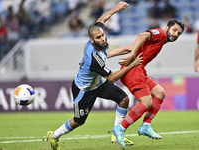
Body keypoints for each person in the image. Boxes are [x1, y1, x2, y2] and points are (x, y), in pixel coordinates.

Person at [46, 2, 143, 150]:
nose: (103, 38)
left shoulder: (97, 41)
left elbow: (102, 19)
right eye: (99, 37)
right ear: (92, 40)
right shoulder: (94, 58)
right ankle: (54, 136)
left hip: (98, 83)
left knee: (124, 99)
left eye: (103, 35)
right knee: (78, 121)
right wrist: (132, 63)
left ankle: (116, 133)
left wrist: (116, 8)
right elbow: (112, 78)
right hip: (84, 89)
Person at [109, 19, 185, 149]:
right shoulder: (160, 34)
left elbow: (130, 47)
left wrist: (107, 55)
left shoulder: (161, 41)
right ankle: (120, 129)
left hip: (139, 70)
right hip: (134, 70)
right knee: (146, 102)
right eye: (174, 30)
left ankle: (145, 126)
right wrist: (133, 55)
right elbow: (141, 35)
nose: (176, 34)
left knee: (159, 93)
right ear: (167, 28)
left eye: (179, 33)